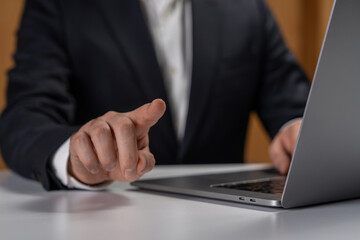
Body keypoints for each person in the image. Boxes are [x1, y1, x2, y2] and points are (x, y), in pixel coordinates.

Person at [0, 0, 310, 191]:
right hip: (107, 220)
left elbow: (292, 102)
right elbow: (25, 115)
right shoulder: (59, 4)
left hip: (231, 223)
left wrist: (299, 129)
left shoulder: (248, 7)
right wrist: (76, 156)